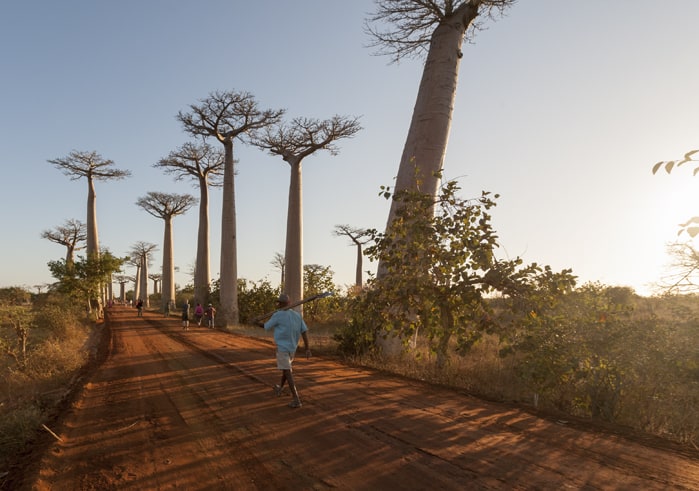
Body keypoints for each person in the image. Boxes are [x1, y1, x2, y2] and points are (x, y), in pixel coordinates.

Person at [261, 293, 311, 408]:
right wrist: (307, 348)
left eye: (279, 303)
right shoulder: (297, 316)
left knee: (288, 371)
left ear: (281, 304)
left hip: (283, 348)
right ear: (289, 304)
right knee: (286, 369)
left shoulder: (277, 315)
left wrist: (255, 322)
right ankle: (280, 388)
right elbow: (304, 331)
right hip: (293, 348)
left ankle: (296, 399)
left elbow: (265, 327)